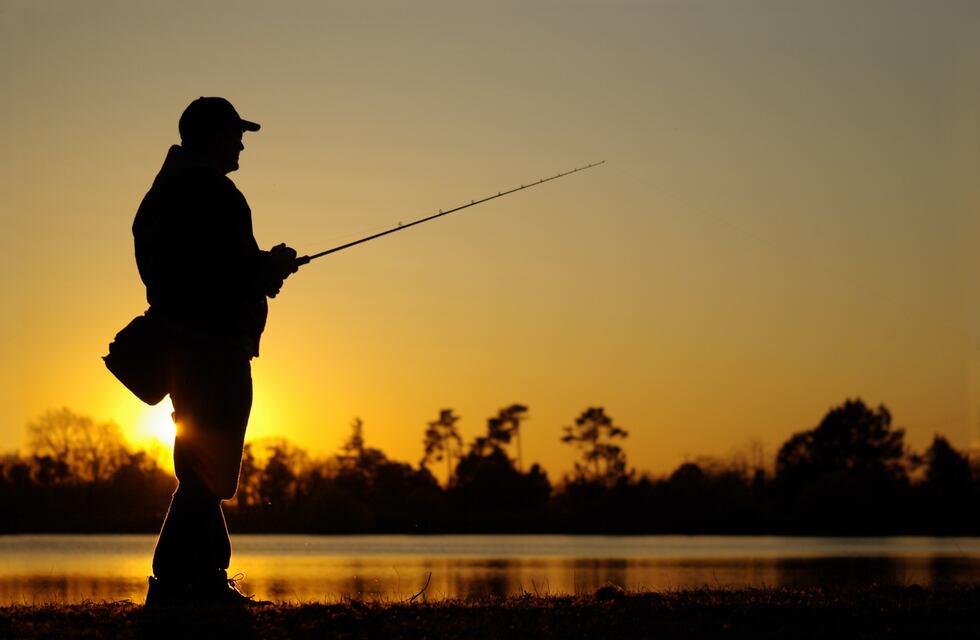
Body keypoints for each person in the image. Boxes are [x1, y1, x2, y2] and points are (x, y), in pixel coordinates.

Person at [133, 97, 301, 606]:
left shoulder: (164, 192)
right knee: (210, 469)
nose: (242, 144)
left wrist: (259, 271)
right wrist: (269, 268)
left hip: (187, 345)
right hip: (214, 346)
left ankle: (197, 581)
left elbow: (194, 270)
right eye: (235, 134)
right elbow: (225, 272)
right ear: (212, 137)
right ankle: (180, 583)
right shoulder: (213, 192)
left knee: (204, 468)